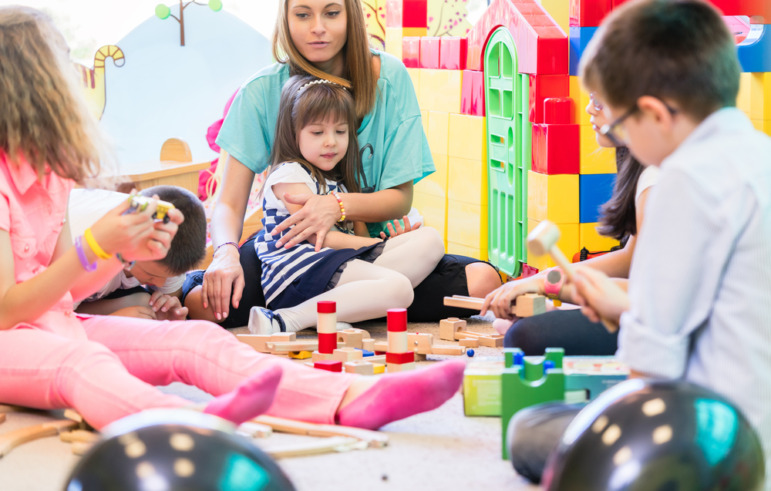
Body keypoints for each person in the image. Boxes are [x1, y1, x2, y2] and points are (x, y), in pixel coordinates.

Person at [0, 5, 467, 433]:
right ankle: (195, 425)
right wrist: (97, 248)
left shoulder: (49, 176)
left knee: (196, 340)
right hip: (14, 341)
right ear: (32, 85)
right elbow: (6, 312)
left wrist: (117, 253)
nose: (78, 79)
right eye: (65, 70)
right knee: (83, 369)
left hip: (56, 326)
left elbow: (66, 298)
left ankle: (349, 398)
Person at [509, 0, 771, 483]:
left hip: (720, 442)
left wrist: (630, 316)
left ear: (651, 112)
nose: (613, 132)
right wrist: (625, 305)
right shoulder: (760, 154)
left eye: (618, 122)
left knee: (529, 431)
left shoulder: (682, 181)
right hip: (754, 412)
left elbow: (649, 379)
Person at [183, 0, 502, 327]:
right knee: (203, 304)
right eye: (303, 14)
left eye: (331, 13)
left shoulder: (390, 78)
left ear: (350, 16)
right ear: (286, 18)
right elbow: (229, 203)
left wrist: (336, 207)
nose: (317, 27)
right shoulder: (260, 90)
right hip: (292, 252)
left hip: (371, 253)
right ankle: (355, 302)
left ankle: (342, 302)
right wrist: (225, 253)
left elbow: (400, 198)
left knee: (482, 283)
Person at [244, 74, 445, 334]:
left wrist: (390, 242)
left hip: (334, 267)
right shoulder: (288, 176)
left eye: (340, 131)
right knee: (400, 289)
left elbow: (356, 240)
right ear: (294, 134)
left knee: (430, 239)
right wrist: (377, 246)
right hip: (299, 277)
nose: (331, 141)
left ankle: (340, 309)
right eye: (318, 132)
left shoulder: (337, 184)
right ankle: (287, 319)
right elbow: (324, 238)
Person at [481, 94, 658, 355]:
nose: (588, 109)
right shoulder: (646, 168)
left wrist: (550, 286)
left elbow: (651, 296)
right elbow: (629, 259)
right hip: (654, 310)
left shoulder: (658, 182)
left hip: (669, 325)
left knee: (525, 335)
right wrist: (546, 278)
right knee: (526, 324)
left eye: (599, 101)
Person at [73, 185, 207, 320]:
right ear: (131, 242)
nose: (160, 284)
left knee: (146, 306)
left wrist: (167, 315)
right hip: (60, 296)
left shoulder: (168, 240)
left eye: (167, 277)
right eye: (151, 275)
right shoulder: (89, 250)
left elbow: (169, 300)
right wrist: (110, 320)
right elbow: (55, 320)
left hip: (87, 296)